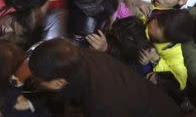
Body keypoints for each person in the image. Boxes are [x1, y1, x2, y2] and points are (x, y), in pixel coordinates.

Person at [27, 38, 183, 116]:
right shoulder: (79, 56)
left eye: (37, 80)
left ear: (59, 82)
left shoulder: (99, 104)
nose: (33, 81)